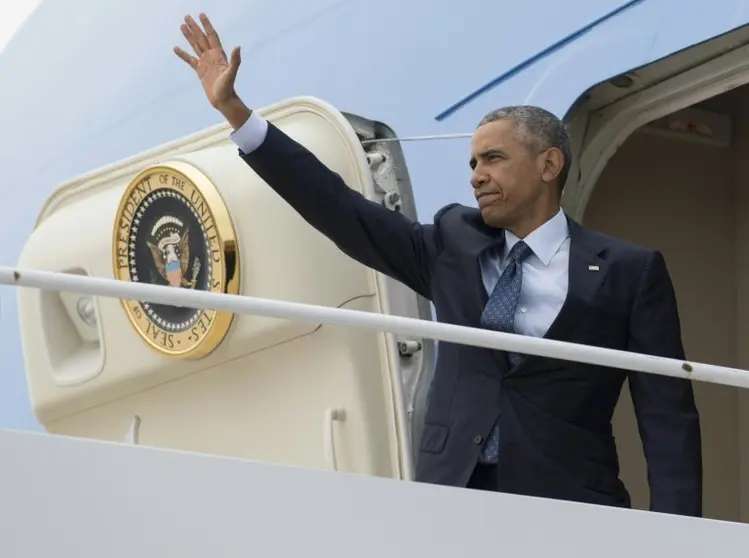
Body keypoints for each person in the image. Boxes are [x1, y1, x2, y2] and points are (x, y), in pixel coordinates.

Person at [174, 13, 702, 516]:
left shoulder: (630, 270)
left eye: (494, 159)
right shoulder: (453, 244)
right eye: (472, 162)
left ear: (549, 164)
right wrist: (239, 117)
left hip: (571, 504)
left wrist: (681, 537)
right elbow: (339, 209)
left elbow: (666, 416)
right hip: (450, 499)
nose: (476, 175)